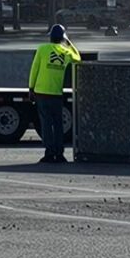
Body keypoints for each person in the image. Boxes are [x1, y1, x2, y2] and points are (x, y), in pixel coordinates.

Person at [30, 23, 80, 164]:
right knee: (58, 125)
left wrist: (30, 88)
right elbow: (78, 58)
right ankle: (59, 153)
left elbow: (34, 69)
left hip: (41, 92)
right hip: (56, 93)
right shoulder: (66, 52)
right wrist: (69, 43)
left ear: (50, 37)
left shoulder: (42, 49)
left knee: (46, 124)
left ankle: (49, 152)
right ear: (62, 38)